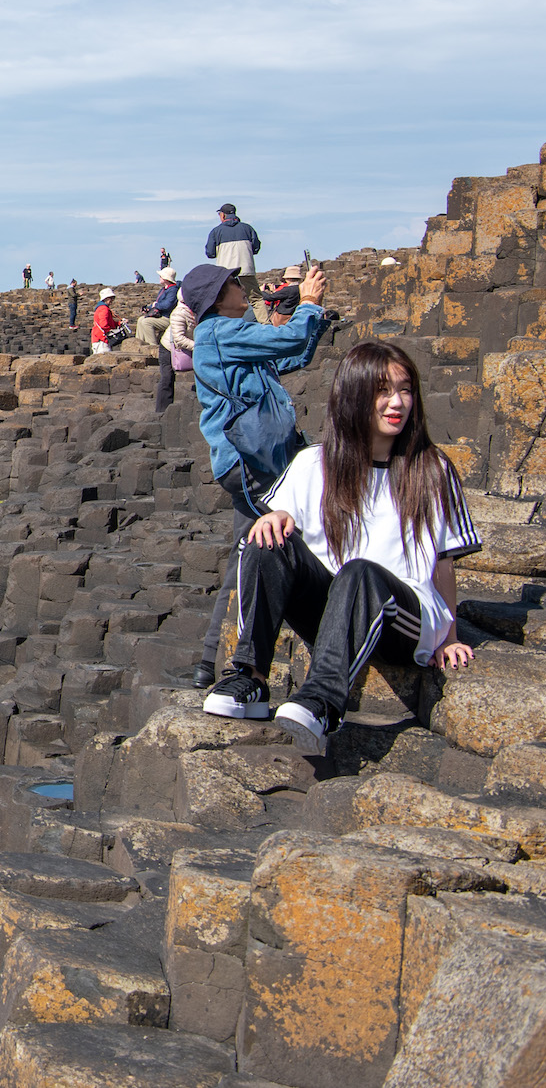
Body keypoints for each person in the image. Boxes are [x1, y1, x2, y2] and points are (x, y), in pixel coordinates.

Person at [204, 341, 479, 755]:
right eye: (382, 391)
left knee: (359, 572)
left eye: (405, 390)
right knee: (265, 537)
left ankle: (323, 702)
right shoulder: (313, 463)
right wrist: (275, 517)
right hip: (334, 609)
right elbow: (278, 538)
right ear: (354, 396)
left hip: (402, 617)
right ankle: (250, 678)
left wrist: (450, 636)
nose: (397, 403)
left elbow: (444, 561)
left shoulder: (432, 469)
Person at [180, 259, 331, 688]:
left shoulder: (230, 333)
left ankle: (209, 662)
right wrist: (307, 305)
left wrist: (311, 316)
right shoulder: (220, 332)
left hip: (253, 461)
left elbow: (293, 353)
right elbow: (290, 338)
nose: (241, 288)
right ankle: (321, 641)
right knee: (293, 538)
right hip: (252, 463)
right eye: (232, 283)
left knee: (246, 554)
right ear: (216, 298)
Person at [156, 279, 197, 415]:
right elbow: (178, 338)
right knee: (167, 378)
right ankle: (162, 411)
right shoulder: (179, 312)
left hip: (186, 346)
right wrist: (197, 346)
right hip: (168, 348)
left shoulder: (194, 311)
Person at [206, 203, 260, 288]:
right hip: (246, 270)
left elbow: (210, 253)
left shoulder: (216, 231)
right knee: (254, 295)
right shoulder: (248, 228)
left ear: (223, 215)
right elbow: (256, 248)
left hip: (225, 272)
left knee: (226, 295)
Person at [135, 267, 179, 346]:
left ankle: (152, 346)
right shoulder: (163, 290)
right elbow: (157, 304)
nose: (159, 278)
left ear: (166, 278)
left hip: (167, 318)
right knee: (141, 319)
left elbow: (167, 305)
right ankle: (139, 344)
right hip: (160, 316)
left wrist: (156, 305)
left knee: (146, 322)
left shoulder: (173, 290)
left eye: (161, 276)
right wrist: (148, 308)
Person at [89, 289, 125, 354]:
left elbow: (108, 323)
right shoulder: (104, 309)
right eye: (111, 298)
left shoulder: (101, 308)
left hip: (98, 338)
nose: (112, 300)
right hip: (102, 339)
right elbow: (103, 324)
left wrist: (119, 323)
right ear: (106, 298)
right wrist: (112, 332)